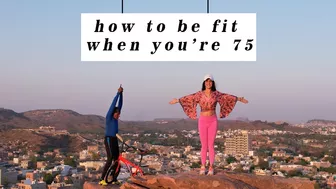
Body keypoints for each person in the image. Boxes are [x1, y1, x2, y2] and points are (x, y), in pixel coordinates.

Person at [169, 74, 248, 175]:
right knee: (204, 145)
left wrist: (240, 99)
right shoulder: (199, 94)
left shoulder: (216, 94)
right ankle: (202, 166)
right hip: (202, 120)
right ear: (204, 83)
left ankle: (211, 167)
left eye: (210, 81)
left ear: (213, 83)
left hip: (213, 120)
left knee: (211, 145)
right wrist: (178, 100)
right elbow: (189, 98)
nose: (208, 83)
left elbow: (227, 97)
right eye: (207, 81)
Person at [99, 85, 123, 186]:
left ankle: (114, 178)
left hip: (114, 139)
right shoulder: (109, 117)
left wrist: (122, 94)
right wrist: (117, 94)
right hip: (108, 139)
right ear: (114, 113)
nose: (119, 115)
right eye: (117, 114)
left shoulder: (116, 118)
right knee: (110, 159)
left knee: (117, 160)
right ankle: (102, 179)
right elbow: (113, 105)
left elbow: (120, 105)